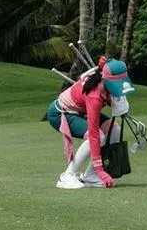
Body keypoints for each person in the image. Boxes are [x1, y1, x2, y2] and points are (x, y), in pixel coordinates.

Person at [47, 57, 135, 189]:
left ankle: (90, 176)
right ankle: (68, 175)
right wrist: (101, 170)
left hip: (81, 111)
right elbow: (94, 135)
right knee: (98, 136)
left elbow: (115, 99)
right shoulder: (94, 95)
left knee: (114, 130)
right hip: (60, 113)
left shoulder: (104, 81)